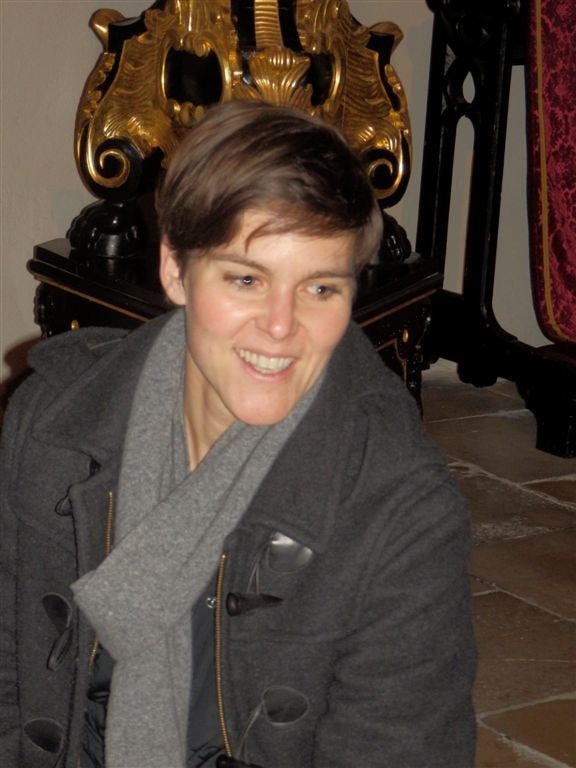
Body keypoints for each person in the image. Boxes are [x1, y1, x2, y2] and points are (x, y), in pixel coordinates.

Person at [0, 101, 476, 768]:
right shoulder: (53, 427)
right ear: (175, 269)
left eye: (320, 288)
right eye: (247, 278)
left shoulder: (399, 507)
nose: (280, 327)